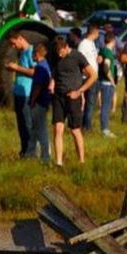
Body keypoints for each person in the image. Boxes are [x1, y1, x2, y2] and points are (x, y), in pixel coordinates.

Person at [51, 35, 95, 166]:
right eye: (57, 53)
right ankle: (58, 162)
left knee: (75, 130)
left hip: (73, 97)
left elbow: (93, 75)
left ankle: (81, 161)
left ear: (66, 47)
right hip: (58, 97)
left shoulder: (77, 56)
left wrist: (80, 91)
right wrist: (52, 83)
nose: (59, 55)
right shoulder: (56, 56)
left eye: (61, 52)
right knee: (58, 128)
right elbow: (55, 73)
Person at [4, 32, 35, 157]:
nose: (13, 46)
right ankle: (24, 150)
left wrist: (16, 68)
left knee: (27, 124)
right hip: (19, 93)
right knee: (21, 124)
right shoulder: (21, 53)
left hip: (27, 93)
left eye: (14, 43)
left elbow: (34, 72)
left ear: (21, 38)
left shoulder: (31, 52)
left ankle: (31, 152)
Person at [26, 42, 52, 162]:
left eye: (33, 54)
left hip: (39, 102)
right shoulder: (46, 64)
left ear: (37, 54)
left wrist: (32, 100)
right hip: (44, 101)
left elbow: (38, 86)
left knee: (40, 129)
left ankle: (45, 155)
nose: (32, 57)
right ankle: (31, 153)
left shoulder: (40, 67)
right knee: (35, 128)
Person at [77, 24, 101, 132]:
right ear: (94, 33)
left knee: (91, 102)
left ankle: (87, 124)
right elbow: (80, 60)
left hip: (94, 76)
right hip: (87, 77)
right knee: (88, 102)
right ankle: (86, 126)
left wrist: (98, 59)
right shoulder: (83, 44)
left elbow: (92, 58)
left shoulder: (92, 44)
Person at [98, 32, 119, 138]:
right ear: (113, 41)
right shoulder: (108, 53)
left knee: (104, 106)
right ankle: (105, 129)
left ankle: (104, 128)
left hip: (102, 81)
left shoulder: (102, 50)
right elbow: (106, 67)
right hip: (107, 83)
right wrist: (112, 81)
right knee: (105, 107)